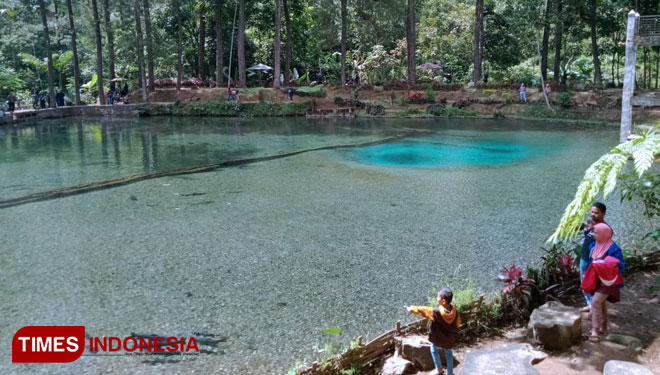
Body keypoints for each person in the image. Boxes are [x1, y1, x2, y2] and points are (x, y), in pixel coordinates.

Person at [581, 223, 624, 342]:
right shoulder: (594, 245)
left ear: (603, 234)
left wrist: (604, 265)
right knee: (601, 303)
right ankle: (603, 326)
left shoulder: (614, 248)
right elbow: (591, 261)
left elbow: (620, 265)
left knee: (595, 302)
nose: (593, 235)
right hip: (597, 279)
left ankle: (595, 330)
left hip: (609, 280)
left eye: (596, 233)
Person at [406, 288, 460, 375]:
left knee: (434, 349)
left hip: (437, 339)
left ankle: (439, 369)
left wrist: (411, 308)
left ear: (443, 301)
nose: (436, 298)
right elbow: (458, 324)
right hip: (449, 340)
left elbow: (422, 309)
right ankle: (450, 373)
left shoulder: (435, 312)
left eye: (437, 297)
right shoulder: (455, 312)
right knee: (448, 354)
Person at [579, 202, 610, 313]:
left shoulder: (605, 228)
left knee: (592, 284)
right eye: (592, 212)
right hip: (584, 258)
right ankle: (590, 305)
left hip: (594, 261)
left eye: (596, 213)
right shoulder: (589, 225)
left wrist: (592, 226)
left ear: (603, 214)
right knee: (584, 284)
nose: (593, 214)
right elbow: (579, 228)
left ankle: (595, 309)